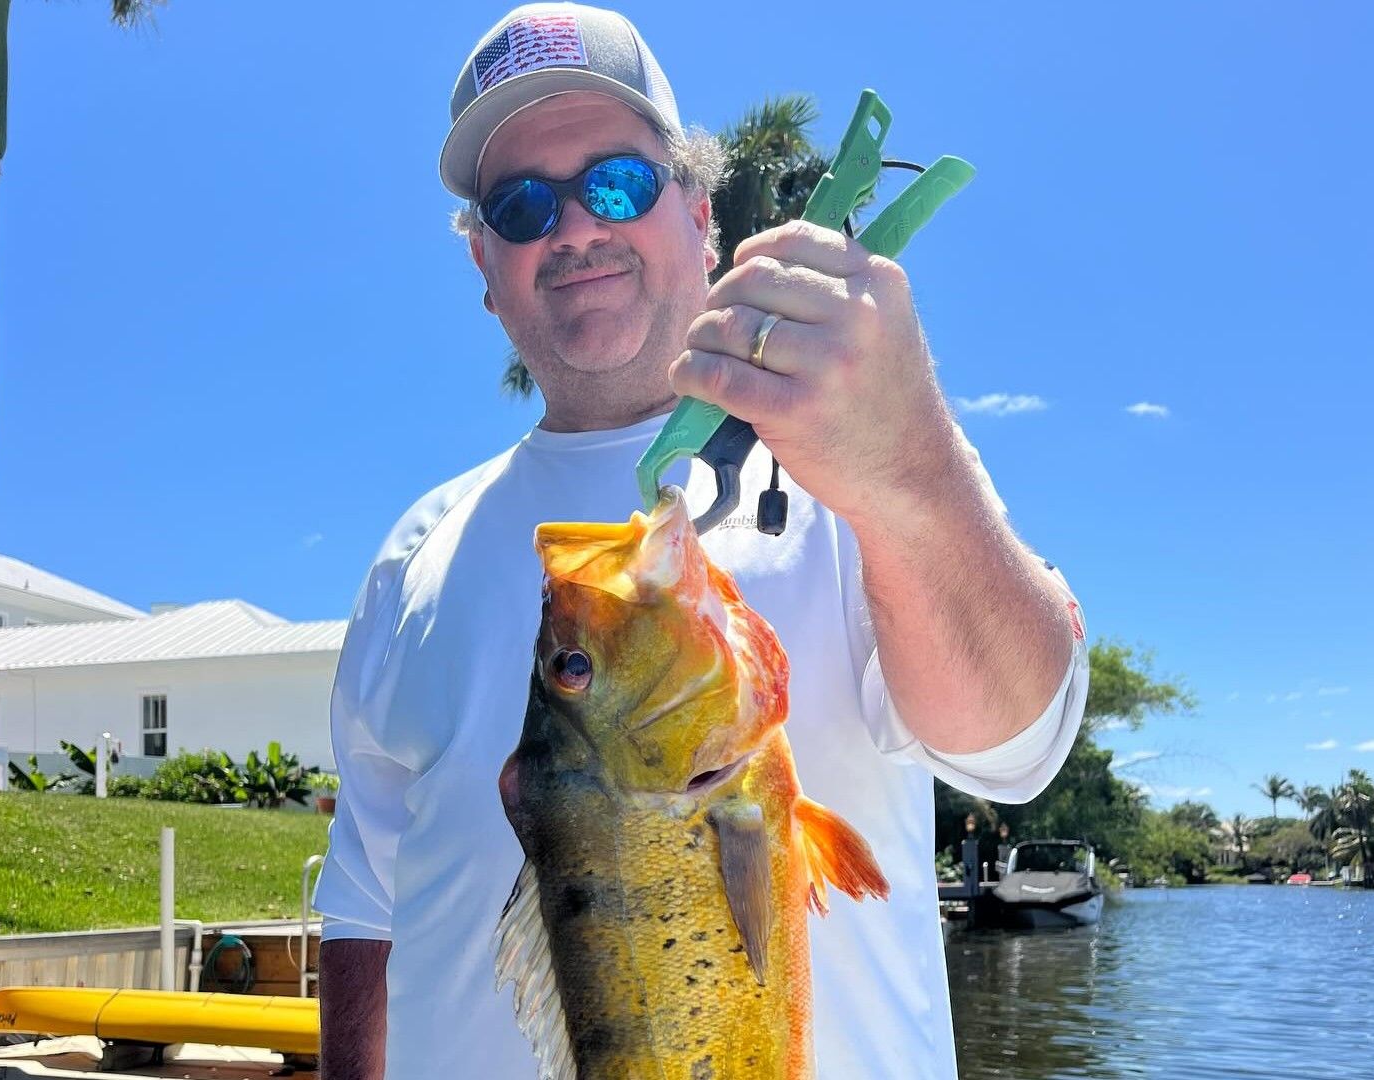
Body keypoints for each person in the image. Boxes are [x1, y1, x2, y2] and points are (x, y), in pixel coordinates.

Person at [313, 4, 1089, 1078]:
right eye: (521, 203)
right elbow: (363, 898)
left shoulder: (855, 465)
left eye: (618, 182)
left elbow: (1017, 746)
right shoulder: (415, 554)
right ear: (485, 269)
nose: (575, 226)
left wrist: (910, 467)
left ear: (698, 215)